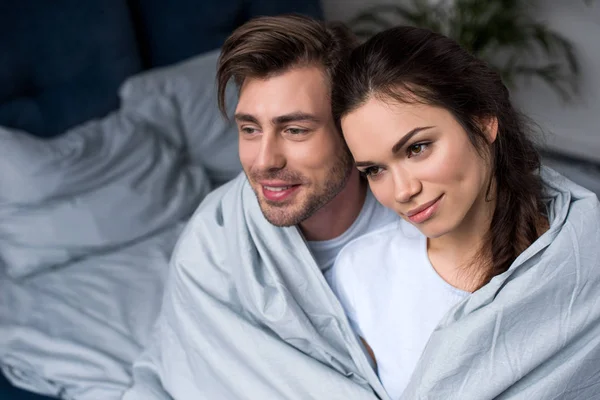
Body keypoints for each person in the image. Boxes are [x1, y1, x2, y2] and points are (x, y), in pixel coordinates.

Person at [122, 15, 397, 400]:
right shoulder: (215, 236)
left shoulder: (418, 218)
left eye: (295, 130)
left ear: (352, 129)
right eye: (250, 129)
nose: (264, 160)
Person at [329, 26, 600, 399]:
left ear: (482, 120)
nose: (403, 190)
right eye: (375, 170)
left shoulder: (586, 255)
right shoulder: (362, 273)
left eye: (417, 148)